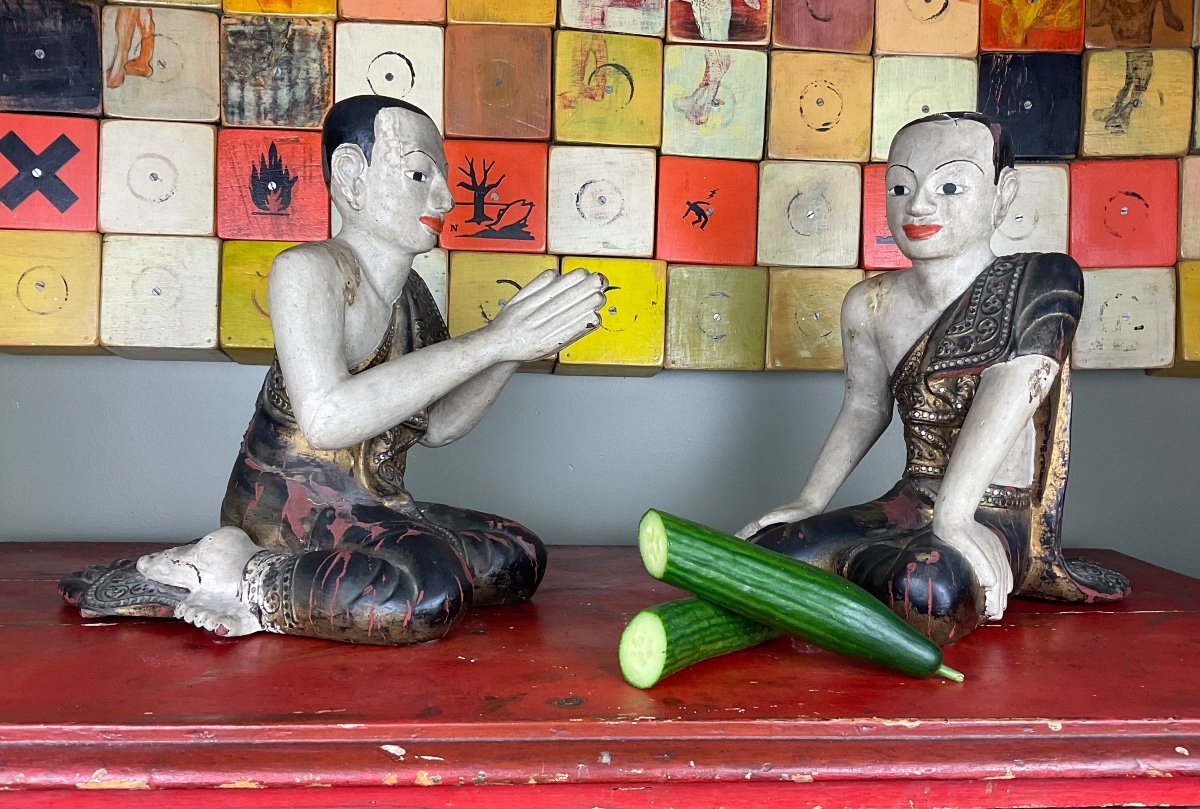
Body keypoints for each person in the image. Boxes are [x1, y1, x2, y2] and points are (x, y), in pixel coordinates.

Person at [61, 97, 608, 644]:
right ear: (351, 175)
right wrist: (490, 342)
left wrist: (512, 348)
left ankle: (279, 576)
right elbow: (326, 420)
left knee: (518, 556)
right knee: (427, 595)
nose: (443, 198)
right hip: (289, 511)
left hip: (372, 504)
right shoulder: (307, 271)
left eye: (443, 180)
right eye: (419, 174)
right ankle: (238, 572)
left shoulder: (412, 295)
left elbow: (437, 426)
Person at [738, 112, 1130, 644]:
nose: (918, 205)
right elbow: (864, 407)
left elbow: (1012, 386)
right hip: (907, 499)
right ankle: (863, 574)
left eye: (950, 186)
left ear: (1002, 193)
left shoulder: (1043, 280)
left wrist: (954, 515)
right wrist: (810, 502)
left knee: (925, 594)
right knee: (767, 558)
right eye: (900, 186)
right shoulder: (870, 303)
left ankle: (869, 579)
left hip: (991, 508)